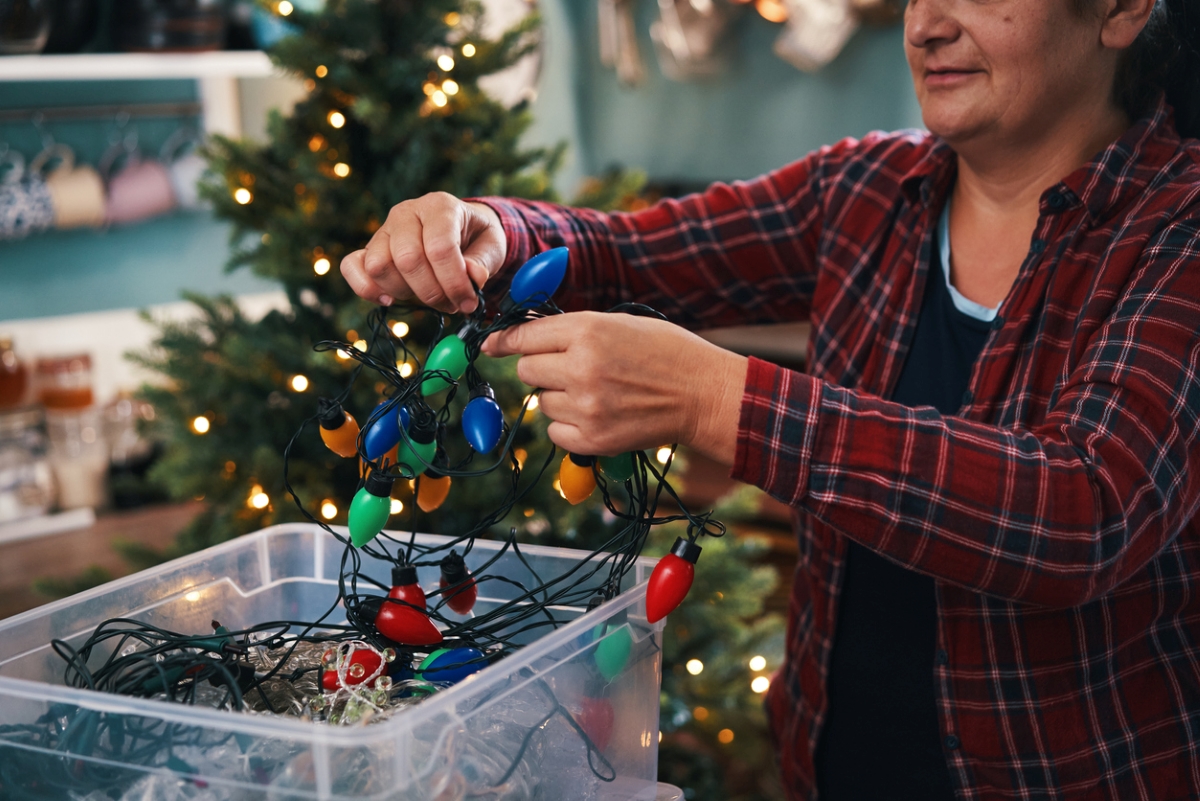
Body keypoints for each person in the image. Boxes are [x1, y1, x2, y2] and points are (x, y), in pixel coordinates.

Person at [341, 0, 1200, 797]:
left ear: (1123, 8)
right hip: (835, 765)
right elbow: (629, 254)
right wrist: (494, 233)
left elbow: (1085, 511)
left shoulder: (1178, 230)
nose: (927, 24)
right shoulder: (867, 191)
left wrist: (721, 398)